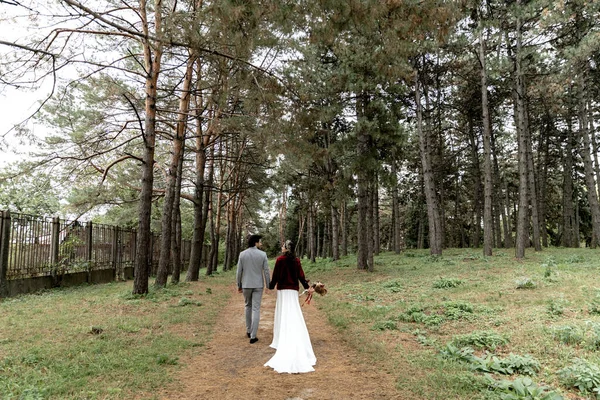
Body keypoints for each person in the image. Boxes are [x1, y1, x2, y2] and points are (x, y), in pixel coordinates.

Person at [264, 240, 316, 374]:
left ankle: (283, 337)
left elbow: (275, 275)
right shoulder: (296, 261)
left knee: (283, 312)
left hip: (282, 291)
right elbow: (301, 276)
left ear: (286, 248)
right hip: (292, 291)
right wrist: (307, 287)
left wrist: (270, 286)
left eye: (283, 246)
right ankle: (293, 334)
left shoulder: (280, 260)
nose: (281, 247)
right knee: (293, 312)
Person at [236, 234, 270, 344]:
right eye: (259, 241)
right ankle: (253, 336)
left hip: (246, 284)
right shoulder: (262, 255)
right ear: (255, 242)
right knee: (256, 308)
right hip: (258, 285)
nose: (261, 243)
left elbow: (239, 272)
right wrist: (268, 285)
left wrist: (239, 285)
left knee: (247, 306)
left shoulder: (242, 254)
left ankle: (248, 330)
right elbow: (266, 271)